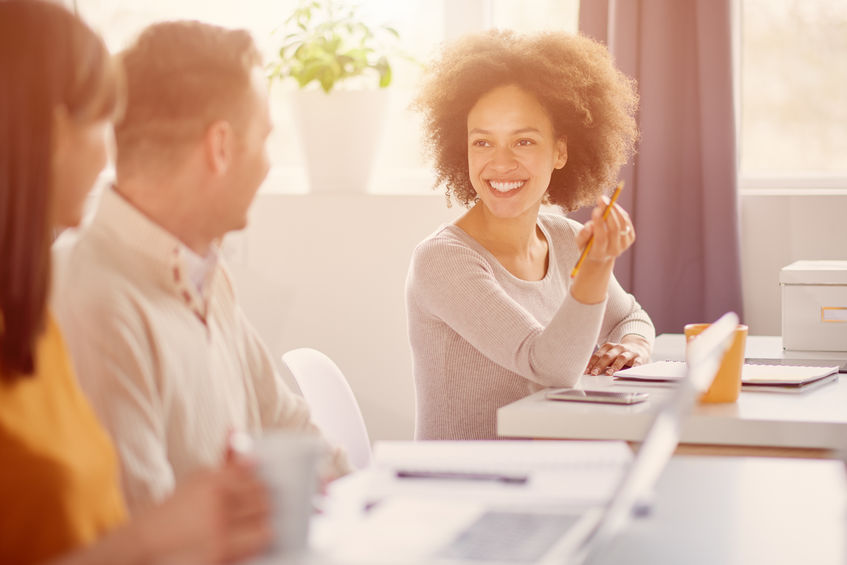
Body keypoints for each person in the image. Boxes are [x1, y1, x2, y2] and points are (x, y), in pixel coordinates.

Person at [0, 2, 271, 563]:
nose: (111, 153)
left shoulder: (32, 323)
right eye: (104, 122)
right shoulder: (87, 300)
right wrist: (168, 531)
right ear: (55, 134)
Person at [52, 20, 350, 513]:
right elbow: (143, 526)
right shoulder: (94, 300)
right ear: (221, 147)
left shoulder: (204, 275)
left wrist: (375, 503)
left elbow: (289, 429)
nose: (268, 165)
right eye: (264, 139)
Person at [407, 30, 656, 440]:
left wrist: (632, 346)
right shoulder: (443, 260)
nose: (500, 163)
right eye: (482, 142)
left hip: (545, 458)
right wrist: (595, 268)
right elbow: (550, 368)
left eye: (523, 141)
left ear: (560, 152)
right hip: (468, 474)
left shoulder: (564, 238)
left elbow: (631, 317)